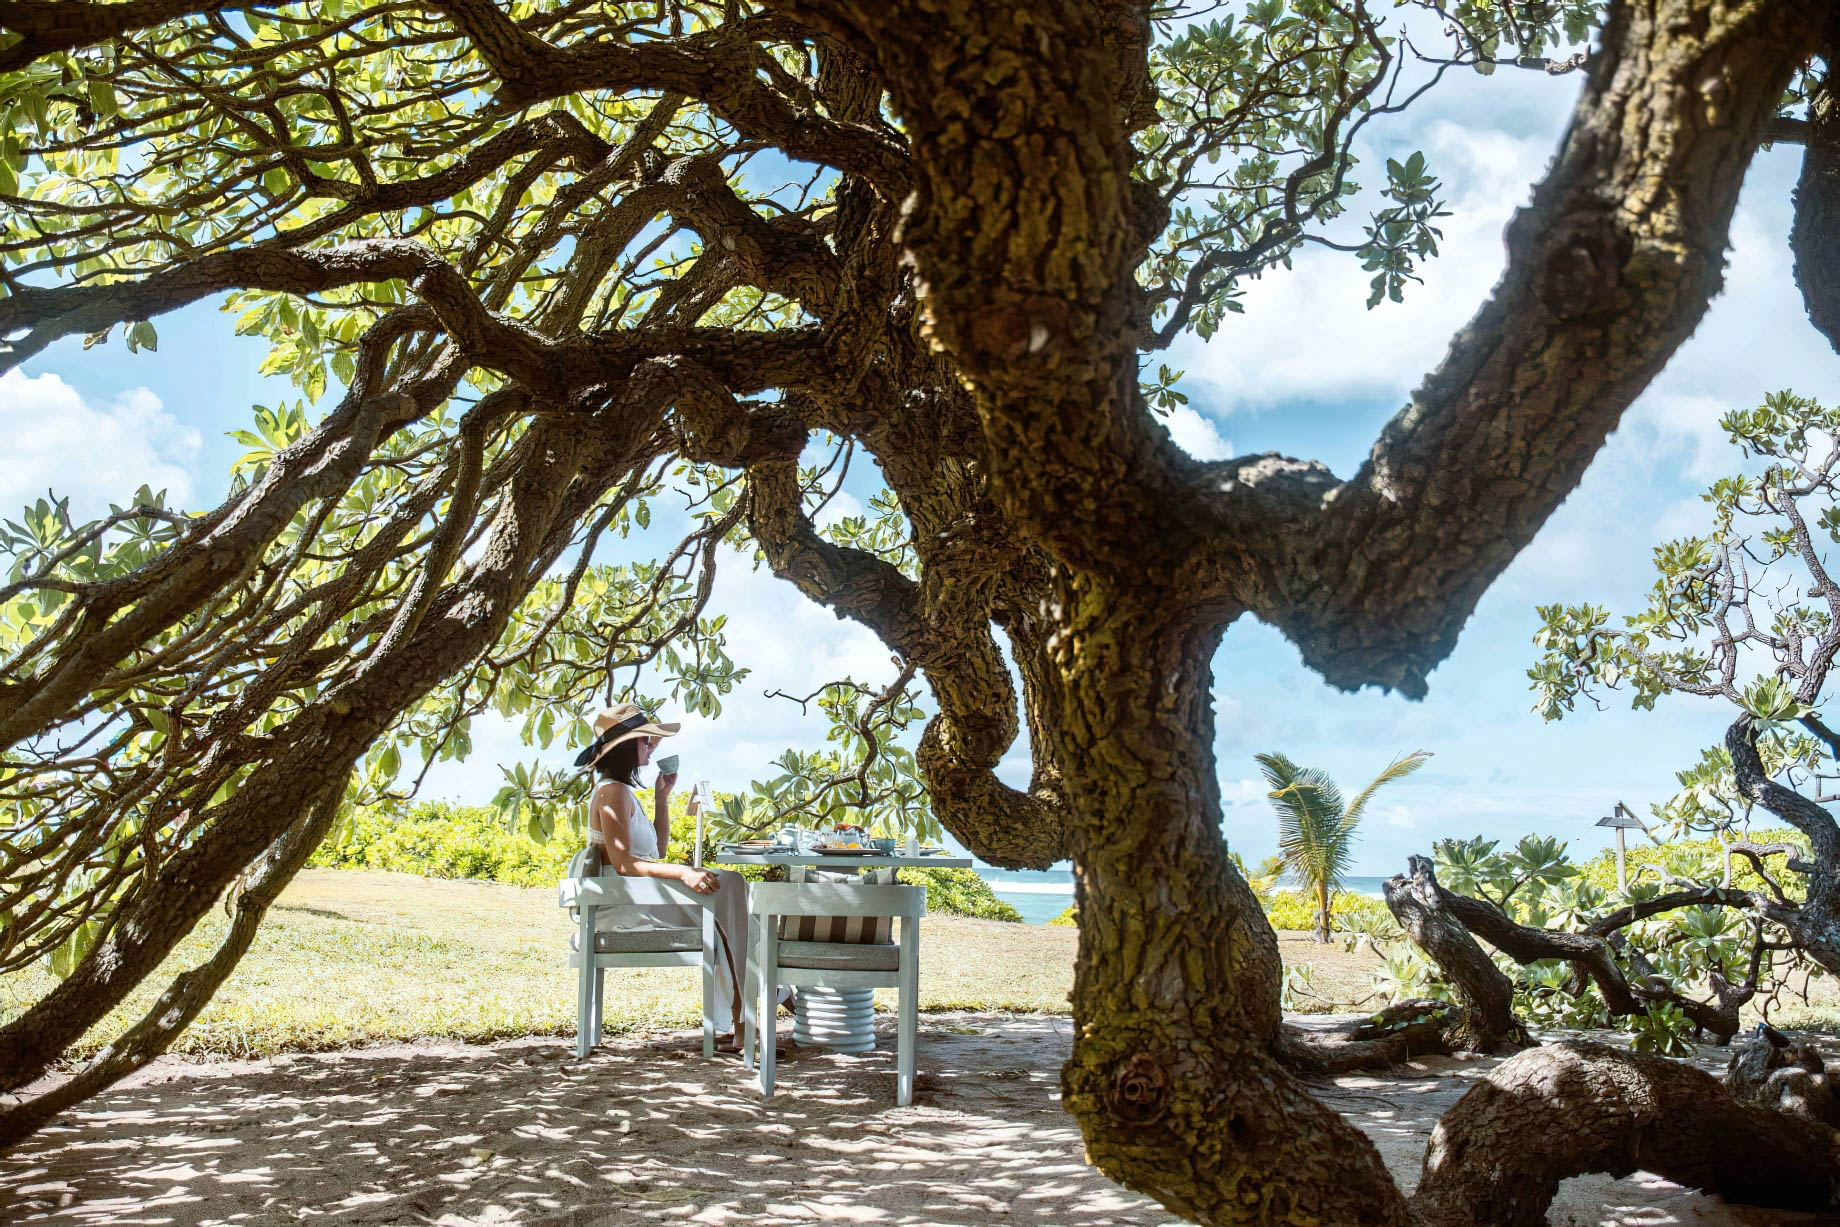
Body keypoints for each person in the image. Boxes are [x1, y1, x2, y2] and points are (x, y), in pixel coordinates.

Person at [571, 702, 761, 1050]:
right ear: (628, 748)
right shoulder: (611, 792)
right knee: (729, 889)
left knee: (729, 889)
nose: (653, 746)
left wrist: (662, 797)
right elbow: (625, 862)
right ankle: (749, 1013)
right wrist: (684, 873)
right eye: (646, 741)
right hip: (625, 905)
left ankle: (747, 1014)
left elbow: (655, 851)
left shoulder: (622, 791)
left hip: (639, 895)